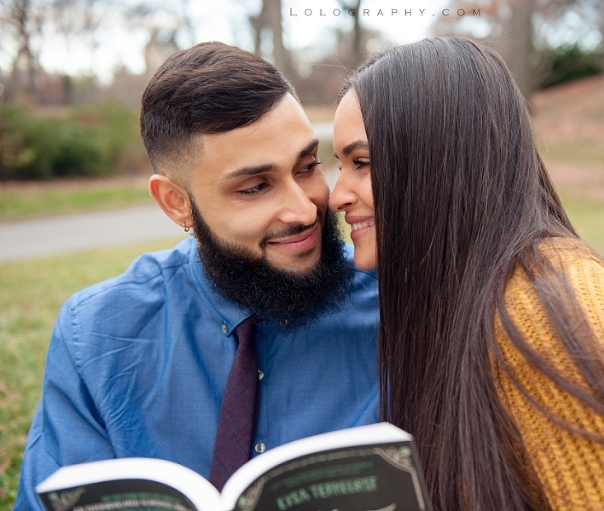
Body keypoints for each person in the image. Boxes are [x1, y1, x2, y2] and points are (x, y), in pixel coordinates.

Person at [330, 37, 604, 511]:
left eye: (363, 164)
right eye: (339, 165)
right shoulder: (471, 296)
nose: (337, 196)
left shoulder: (546, 313)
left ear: (440, 159)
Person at [15, 42, 379, 511]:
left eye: (308, 167)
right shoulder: (96, 336)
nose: (305, 208)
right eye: (255, 187)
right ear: (175, 203)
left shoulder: (398, 309)